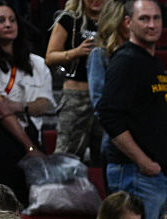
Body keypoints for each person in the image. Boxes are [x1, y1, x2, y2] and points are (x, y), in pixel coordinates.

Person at [96, 0, 167, 219]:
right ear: (128, 22)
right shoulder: (126, 60)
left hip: (157, 175)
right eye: (144, 18)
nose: (152, 24)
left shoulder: (153, 61)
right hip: (135, 174)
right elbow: (108, 114)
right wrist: (143, 161)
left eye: (156, 18)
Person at [0, 0, 53, 203]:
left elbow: (43, 104)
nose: (8, 24)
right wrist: (30, 148)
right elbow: (0, 109)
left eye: (12, 20)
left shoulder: (37, 62)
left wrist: (19, 106)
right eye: (1, 20)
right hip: (1, 136)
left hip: (32, 131)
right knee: (9, 198)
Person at [45, 0, 103, 163]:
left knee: (106, 157)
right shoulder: (69, 19)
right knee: (66, 159)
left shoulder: (113, 21)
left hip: (105, 96)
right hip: (76, 96)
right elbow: (50, 57)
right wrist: (76, 52)